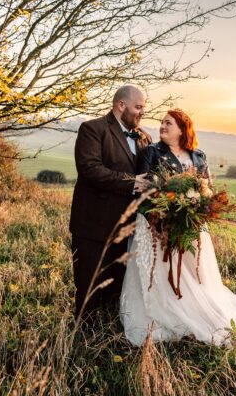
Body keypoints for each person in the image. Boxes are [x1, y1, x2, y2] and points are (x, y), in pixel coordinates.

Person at [119, 109, 236, 346]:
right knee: (161, 271)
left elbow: (207, 188)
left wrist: (200, 207)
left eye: (168, 123)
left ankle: (194, 309)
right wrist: (161, 216)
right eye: (162, 122)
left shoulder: (198, 156)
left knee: (193, 273)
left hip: (191, 225)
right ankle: (164, 313)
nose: (162, 126)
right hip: (157, 223)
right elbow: (143, 188)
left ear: (183, 129)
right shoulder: (151, 152)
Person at [69, 85, 152, 322]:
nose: (141, 113)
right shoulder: (92, 129)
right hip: (94, 225)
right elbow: (89, 169)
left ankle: (111, 334)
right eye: (138, 107)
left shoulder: (145, 137)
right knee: (89, 287)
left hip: (129, 227)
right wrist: (130, 182)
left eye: (143, 108)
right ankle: (82, 339)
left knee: (120, 285)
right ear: (121, 105)